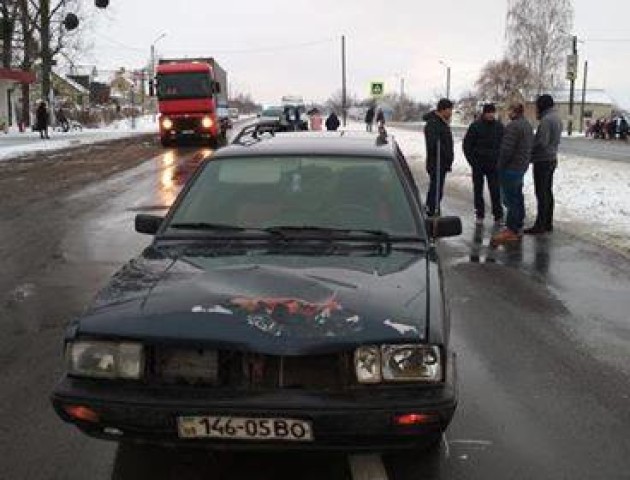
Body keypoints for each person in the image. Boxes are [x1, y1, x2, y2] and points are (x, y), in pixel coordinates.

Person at [491, 103, 534, 245]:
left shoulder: (513, 126)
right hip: (521, 166)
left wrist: (500, 165)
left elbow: (506, 150)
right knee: (518, 196)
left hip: (511, 168)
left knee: (511, 199)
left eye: (508, 109)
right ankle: (518, 224)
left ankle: (511, 229)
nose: (507, 112)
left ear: (513, 112)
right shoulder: (527, 125)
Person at [524, 94, 563, 235]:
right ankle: (548, 223)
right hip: (552, 158)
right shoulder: (557, 118)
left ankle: (540, 225)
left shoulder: (546, 120)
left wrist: (530, 151)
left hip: (543, 160)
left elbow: (541, 142)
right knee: (548, 191)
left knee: (541, 193)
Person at [463, 103, 504, 224]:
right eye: (489, 113)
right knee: (478, 190)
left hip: (494, 164)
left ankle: (498, 215)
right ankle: (479, 214)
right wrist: (472, 162)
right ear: (484, 113)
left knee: (495, 190)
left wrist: (500, 159)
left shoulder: (499, 127)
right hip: (478, 164)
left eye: (493, 112)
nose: (491, 115)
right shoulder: (475, 126)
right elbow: (467, 145)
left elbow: (504, 144)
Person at [423, 98, 454, 217]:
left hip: (442, 163)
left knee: (437, 188)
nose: (451, 112)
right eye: (449, 109)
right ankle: (432, 211)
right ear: (443, 110)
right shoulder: (433, 123)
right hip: (436, 162)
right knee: (436, 189)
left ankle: (433, 207)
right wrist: (444, 153)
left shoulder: (442, 122)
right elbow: (433, 144)